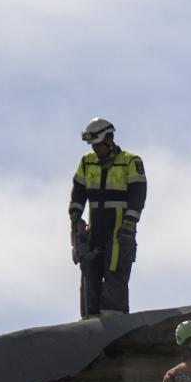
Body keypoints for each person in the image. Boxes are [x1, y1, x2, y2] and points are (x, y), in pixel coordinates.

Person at [69, 117, 146, 318]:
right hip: (94, 233)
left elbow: (138, 196)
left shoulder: (130, 162)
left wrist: (129, 223)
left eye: (98, 145)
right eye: (93, 146)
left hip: (120, 233)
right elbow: (78, 194)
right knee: (89, 279)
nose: (95, 150)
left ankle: (114, 322)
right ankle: (90, 324)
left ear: (109, 140)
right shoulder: (86, 162)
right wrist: (75, 218)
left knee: (115, 278)